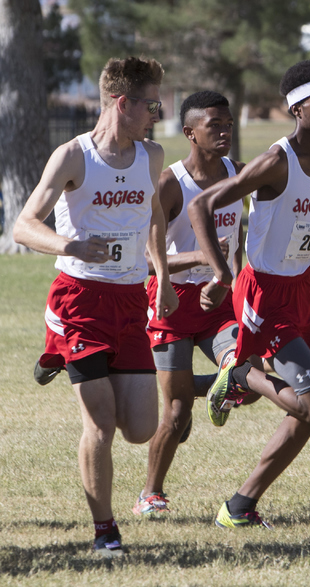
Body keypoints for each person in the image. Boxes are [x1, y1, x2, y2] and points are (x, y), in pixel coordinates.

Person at [188, 60, 310, 529]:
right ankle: (237, 370)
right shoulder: (276, 161)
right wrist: (221, 272)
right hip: (261, 291)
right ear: (297, 109)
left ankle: (240, 505)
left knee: (308, 413)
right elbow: (202, 205)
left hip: (301, 289)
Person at [13, 56, 179, 556]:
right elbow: (22, 225)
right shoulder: (73, 157)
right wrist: (70, 246)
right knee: (101, 423)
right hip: (81, 298)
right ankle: (105, 530)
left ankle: (55, 349)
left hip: (131, 299)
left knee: (141, 427)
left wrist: (164, 277)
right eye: (151, 104)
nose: (157, 114)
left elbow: (153, 217)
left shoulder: (152, 156)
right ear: (121, 102)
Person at [132, 90, 258, 516]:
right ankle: (150, 493)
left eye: (228, 124)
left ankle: (212, 384)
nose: (225, 132)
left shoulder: (238, 174)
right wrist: (205, 256)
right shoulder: (170, 184)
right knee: (178, 412)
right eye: (214, 126)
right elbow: (147, 258)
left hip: (219, 299)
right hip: (172, 300)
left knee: (251, 375)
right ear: (190, 133)